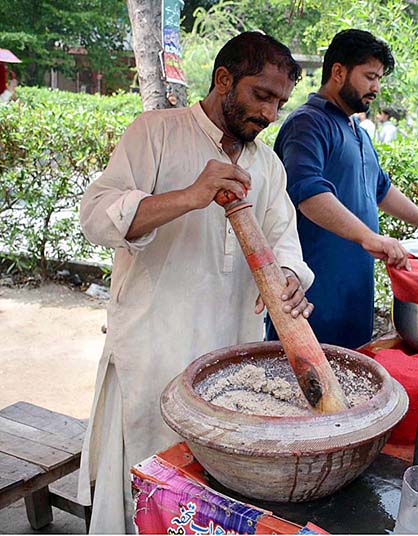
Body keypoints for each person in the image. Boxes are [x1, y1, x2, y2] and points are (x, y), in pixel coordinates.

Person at [78, 32, 314, 533]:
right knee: (142, 487)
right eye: (261, 95)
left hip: (229, 363)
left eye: (279, 102)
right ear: (223, 80)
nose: (271, 115)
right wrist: (190, 195)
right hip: (154, 350)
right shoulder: (155, 133)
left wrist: (290, 277)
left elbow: (284, 243)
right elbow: (97, 218)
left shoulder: (267, 165)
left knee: (206, 501)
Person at [270, 29, 418, 349]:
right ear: (339, 71)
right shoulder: (308, 124)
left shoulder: (356, 129)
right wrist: (369, 237)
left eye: (379, 78)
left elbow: (381, 189)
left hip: (353, 297)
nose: (376, 87)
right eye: (369, 76)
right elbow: (308, 194)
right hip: (311, 298)